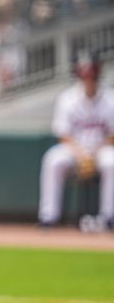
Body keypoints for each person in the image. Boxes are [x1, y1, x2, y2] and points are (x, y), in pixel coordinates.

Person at [38, 51, 114, 229]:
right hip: (74, 149)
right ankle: (48, 216)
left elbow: (112, 135)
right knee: (53, 159)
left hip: (101, 148)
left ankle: (109, 216)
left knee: (112, 162)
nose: (88, 77)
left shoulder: (110, 98)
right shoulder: (67, 98)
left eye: (91, 73)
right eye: (84, 72)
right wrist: (81, 155)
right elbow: (63, 135)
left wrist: (93, 153)